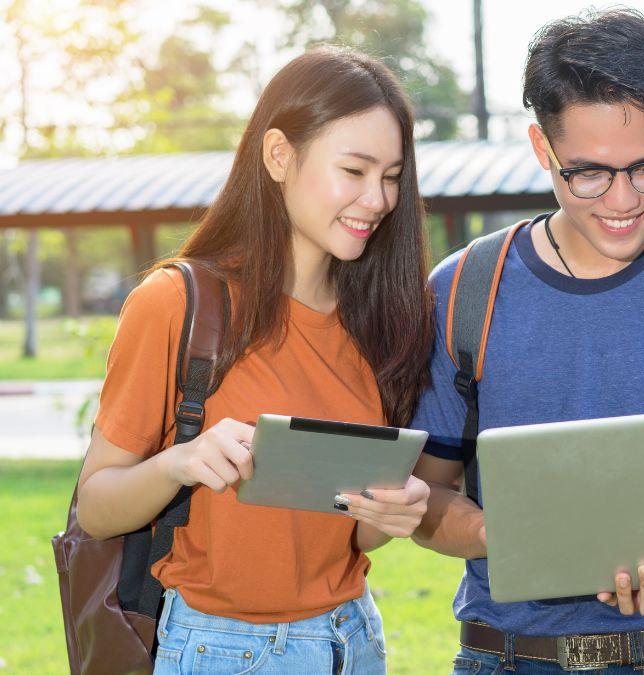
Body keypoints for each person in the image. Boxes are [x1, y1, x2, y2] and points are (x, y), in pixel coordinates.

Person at [396, 9, 644, 674]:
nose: (623, 200)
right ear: (542, 149)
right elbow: (424, 495)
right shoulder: (464, 292)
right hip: (509, 656)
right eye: (590, 173)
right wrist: (510, 535)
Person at [74, 46, 433, 674]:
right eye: (354, 170)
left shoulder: (381, 321)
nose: (377, 199)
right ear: (278, 155)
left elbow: (350, 535)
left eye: (393, 175)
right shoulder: (175, 304)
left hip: (354, 639)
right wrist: (180, 463)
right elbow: (98, 507)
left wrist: (392, 511)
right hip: (220, 649)